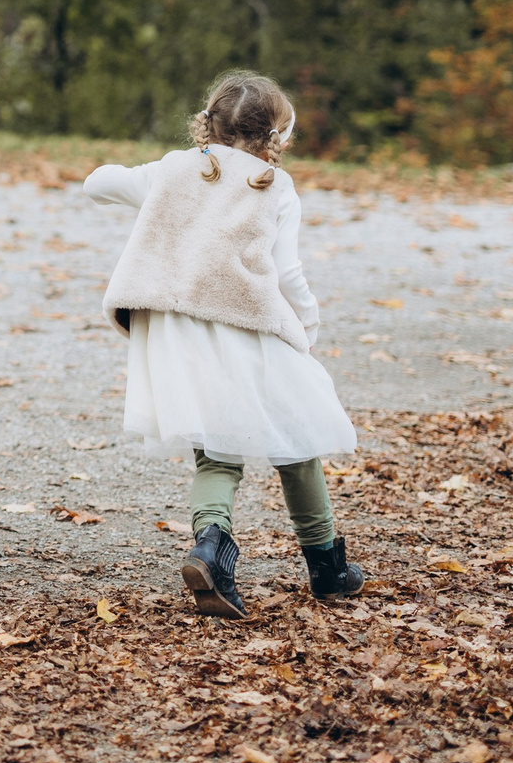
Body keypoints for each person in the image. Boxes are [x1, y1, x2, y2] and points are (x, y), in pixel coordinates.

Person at [84, 70, 365, 618]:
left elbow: (97, 182)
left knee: (216, 454)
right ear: (273, 138)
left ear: (207, 124)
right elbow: (289, 274)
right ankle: (327, 566)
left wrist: (151, 183)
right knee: (297, 435)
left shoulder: (172, 171)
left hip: (179, 330)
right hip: (248, 324)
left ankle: (211, 549)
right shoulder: (274, 186)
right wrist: (306, 329)